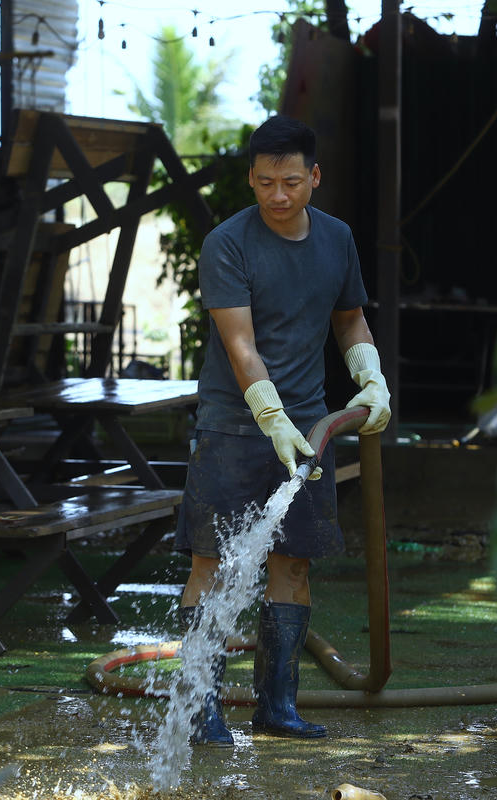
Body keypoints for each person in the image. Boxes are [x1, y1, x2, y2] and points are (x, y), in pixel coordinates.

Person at [173, 115, 391, 746]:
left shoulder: (337, 240)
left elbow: (349, 320)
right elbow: (239, 343)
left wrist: (369, 375)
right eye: (265, 182)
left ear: (314, 178)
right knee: (210, 565)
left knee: (292, 566)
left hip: (311, 428)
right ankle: (201, 712)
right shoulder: (228, 242)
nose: (277, 195)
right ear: (251, 179)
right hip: (233, 427)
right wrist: (268, 415)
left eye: (290, 181)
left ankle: (277, 707)